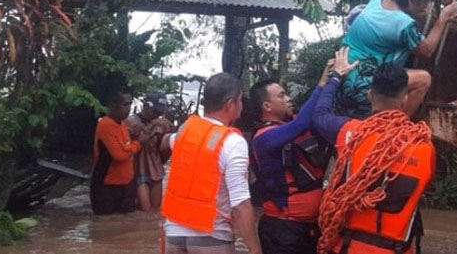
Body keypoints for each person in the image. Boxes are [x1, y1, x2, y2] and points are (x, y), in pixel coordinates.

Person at [311, 48, 436, 254]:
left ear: (370, 95)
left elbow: (319, 115)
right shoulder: (424, 146)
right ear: (405, 100)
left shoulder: (350, 134)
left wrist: (335, 77)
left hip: (348, 248)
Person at [161, 73, 262, 254]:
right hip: (211, 236)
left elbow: (166, 141)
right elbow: (240, 204)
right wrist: (255, 249)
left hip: (173, 234)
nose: (242, 105)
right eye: (240, 100)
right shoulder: (232, 141)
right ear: (230, 104)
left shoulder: (185, 131)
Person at [339, 0, 457, 119]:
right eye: (424, 3)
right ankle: (394, 128)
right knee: (423, 79)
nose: (425, 8)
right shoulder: (403, 24)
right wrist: (443, 18)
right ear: (411, 0)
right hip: (363, 89)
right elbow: (427, 50)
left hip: (342, 78)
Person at [249, 61, 335, 254]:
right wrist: (324, 83)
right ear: (267, 106)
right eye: (281, 95)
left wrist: (335, 81)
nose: (288, 99)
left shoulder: (292, 125)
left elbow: (317, 118)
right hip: (282, 230)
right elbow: (302, 123)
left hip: (308, 228)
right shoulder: (264, 138)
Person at [90, 89, 141, 215]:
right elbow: (119, 156)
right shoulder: (106, 125)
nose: (128, 108)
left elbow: (125, 148)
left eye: (130, 104)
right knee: (105, 227)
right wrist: (139, 143)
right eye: (125, 104)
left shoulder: (122, 125)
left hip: (126, 186)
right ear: (113, 105)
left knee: (123, 227)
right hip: (106, 187)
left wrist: (134, 140)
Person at [125, 92, 173, 211]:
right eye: (155, 112)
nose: (157, 115)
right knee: (145, 210)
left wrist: (167, 134)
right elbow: (126, 148)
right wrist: (150, 127)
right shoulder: (130, 122)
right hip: (138, 170)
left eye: (159, 113)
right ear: (146, 106)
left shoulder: (161, 124)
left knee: (155, 211)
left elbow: (163, 150)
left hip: (155, 169)